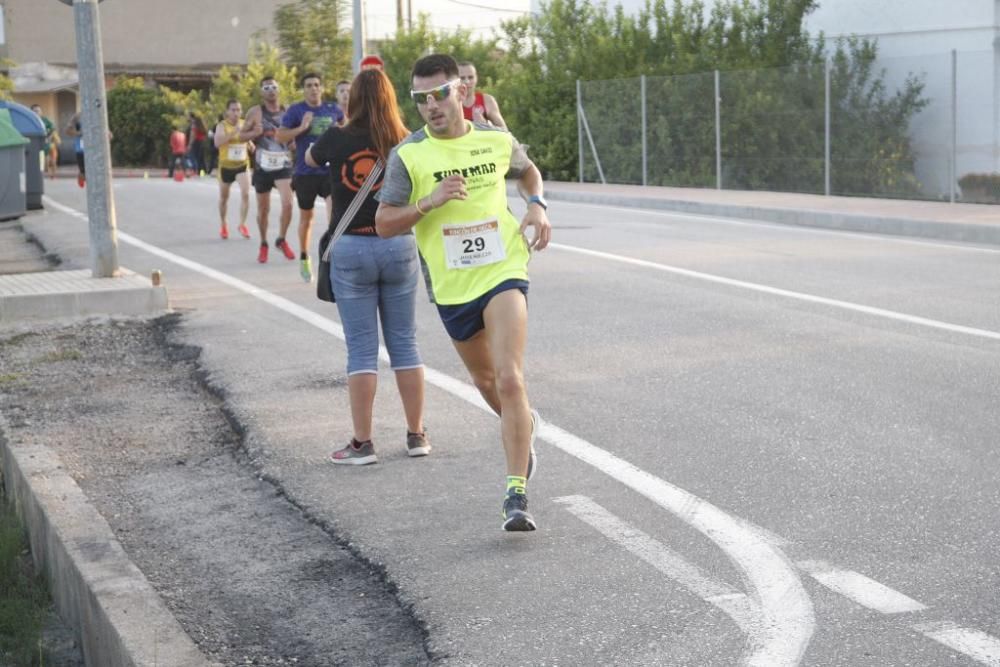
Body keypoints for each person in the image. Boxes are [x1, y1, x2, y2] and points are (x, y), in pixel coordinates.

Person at [375, 54, 551, 532]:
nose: (431, 106)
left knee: (511, 378)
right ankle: (524, 426)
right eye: (420, 99)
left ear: (462, 94)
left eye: (439, 94)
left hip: (503, 269)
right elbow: (384, 222)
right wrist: (427, 202)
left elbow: (528, 170)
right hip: (453, 288)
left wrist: (535, 204)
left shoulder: (494, 140)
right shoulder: (409, 156)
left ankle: (516, 493)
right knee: (489, 385)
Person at [305, 69, 427, 465]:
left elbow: (309, 159)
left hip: (353, 248)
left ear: (351, 100)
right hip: (399, 245)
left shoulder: (337, 138)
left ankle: (363, 444)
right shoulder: (404, 140)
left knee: (361, 350)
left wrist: (339, 127)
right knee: (405, 343)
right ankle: (416, 435)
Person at [276, 72, 344, 282]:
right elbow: (280, 136)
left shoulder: (333, 110)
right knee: (307, 218)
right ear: (303, 89)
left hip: (329, 171)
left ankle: (332, 257)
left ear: (321, 88)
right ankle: (305, 257)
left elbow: (346, 130)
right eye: (308, 85)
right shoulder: (296, 111)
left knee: (335, 216)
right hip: (306, 172)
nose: (313, 88)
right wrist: (302, 128)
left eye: (316, 84)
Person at [240, 76, 295, 264]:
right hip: (263, 166)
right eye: (266, 87)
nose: (271, 90)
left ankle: (281, 239)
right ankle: (263, 243)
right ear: (261, 92)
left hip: (284, 165)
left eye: (273, 87)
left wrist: (294, 142)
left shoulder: (288, 111)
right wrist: (253, 134)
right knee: (264, 209)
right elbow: (240, 136)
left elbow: (295, 136)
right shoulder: (255, 112)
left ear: (279, 89)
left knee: (288, 203)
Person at [214, 99, 252, 241]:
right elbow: (217, 143)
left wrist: (250, 144)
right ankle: (224, 224)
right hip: (226, 166)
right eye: (233, 110)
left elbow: (245, 138)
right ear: (227, 112)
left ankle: (242, 224)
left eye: (238, 110)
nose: (236, 113)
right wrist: (232, 133)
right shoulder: (222, 126)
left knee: (246, 194)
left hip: (242, 164)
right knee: (224, 198)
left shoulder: (244, 124)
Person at [458, 61, 507, 130]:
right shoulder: (450, 103)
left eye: (470, 77)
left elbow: (504, 130)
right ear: (455, 80)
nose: (467, 81)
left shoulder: (487, 100)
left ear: (476, 78)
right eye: (462, 78)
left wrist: (484, 125)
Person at [31, 105, 56, 177]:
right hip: (35, 143)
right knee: (40, 160)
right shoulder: (31, 120)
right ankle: (42, 172)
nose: (36, 112)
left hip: (46, 142)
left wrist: (49, 138)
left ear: (41, 112)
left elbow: (52, 128)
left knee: (49, 158)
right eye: (34, 111)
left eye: (38, 111)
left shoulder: (45, 120)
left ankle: (52, 173)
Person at [63, 112, 86, 188]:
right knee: (83, 172)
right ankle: (81, 175)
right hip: (81, 149)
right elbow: (67, 131)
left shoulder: (97, 114)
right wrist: (79, 133)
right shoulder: (77, 117)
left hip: (94, 148)